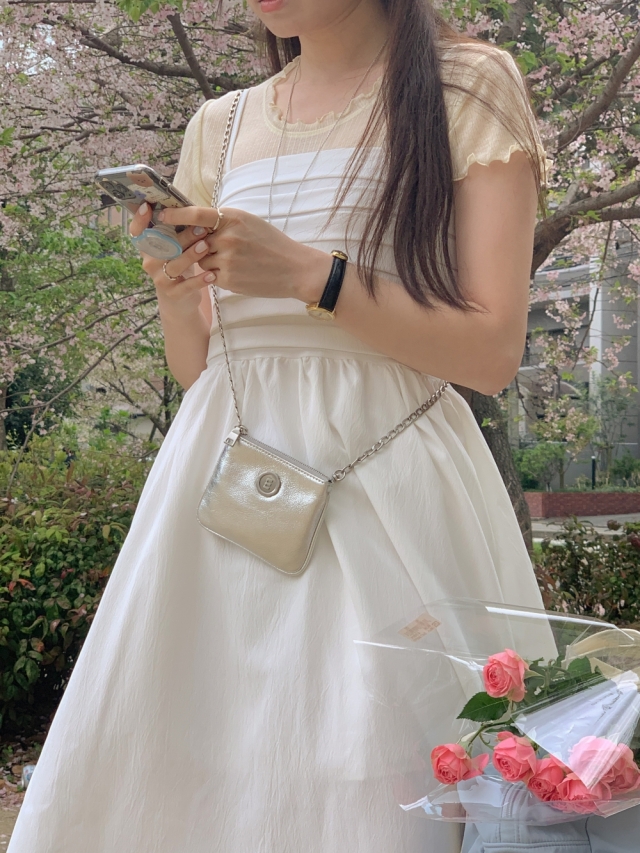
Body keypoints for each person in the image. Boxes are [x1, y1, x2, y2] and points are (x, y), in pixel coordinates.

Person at [7, 1, 560, 851]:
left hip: (389, 496)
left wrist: (314, 276)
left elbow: (490, 353)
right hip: (219, 492)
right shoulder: (220, 124)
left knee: (380, 781)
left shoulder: (468, 85)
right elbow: (201, 368)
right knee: (187, 773)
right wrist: (177, 294)